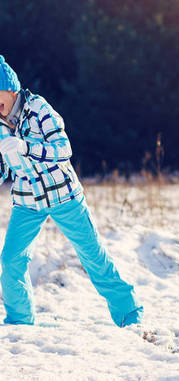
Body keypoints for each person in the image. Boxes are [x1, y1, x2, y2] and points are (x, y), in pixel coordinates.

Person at [0, 55, 143, 327]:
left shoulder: (39, 109)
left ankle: (130, 314)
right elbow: (4, 169)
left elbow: (64, 149)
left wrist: (26, 147)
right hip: (27, 201)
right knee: (10, 259)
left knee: (92, 254)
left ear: (9, 88)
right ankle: (20, 323)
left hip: (63, 196)